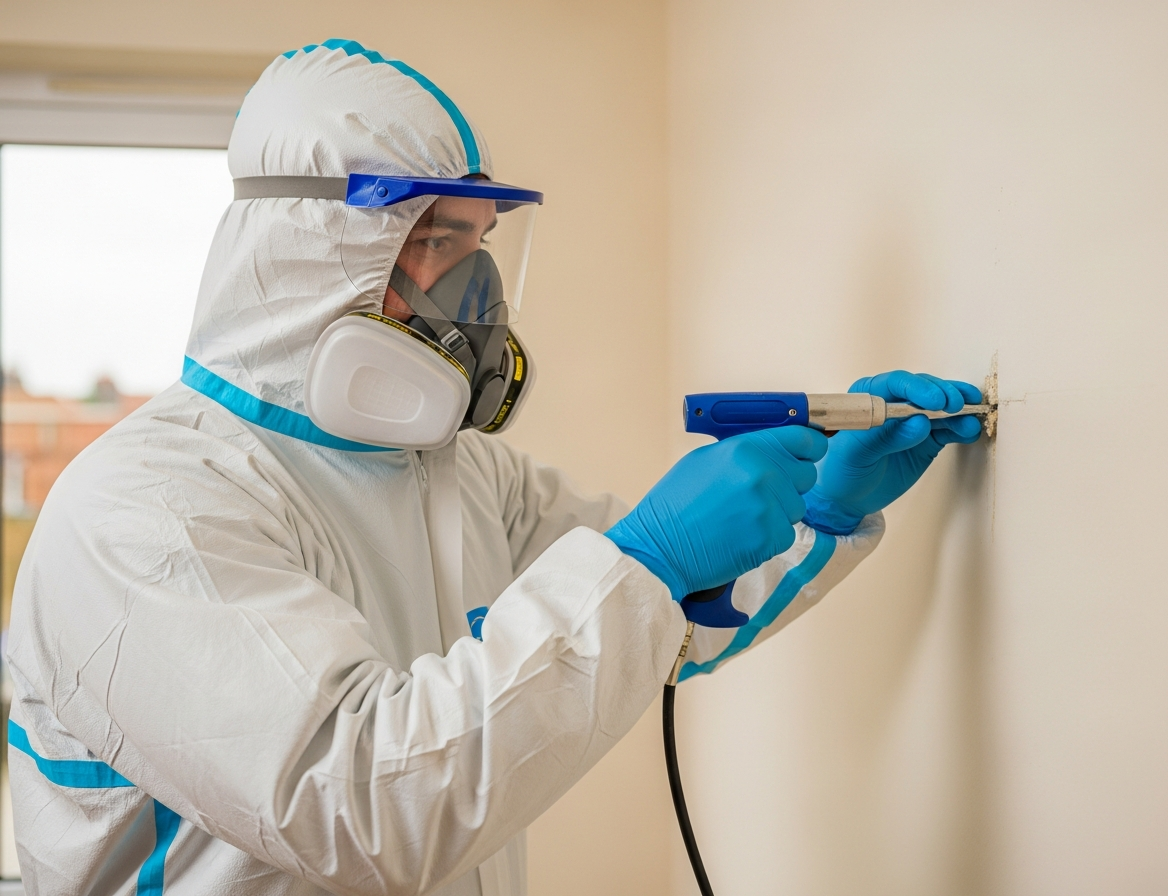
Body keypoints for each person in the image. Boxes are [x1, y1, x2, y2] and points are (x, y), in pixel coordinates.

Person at [5, 39, 983, 896]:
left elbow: (650, 627)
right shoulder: (149, 510)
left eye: (477, 243)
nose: (471, 291)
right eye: (430, 238)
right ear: (308, 258)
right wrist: (642, 560)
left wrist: (816, 511)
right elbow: (364, 806)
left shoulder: (462, 475)